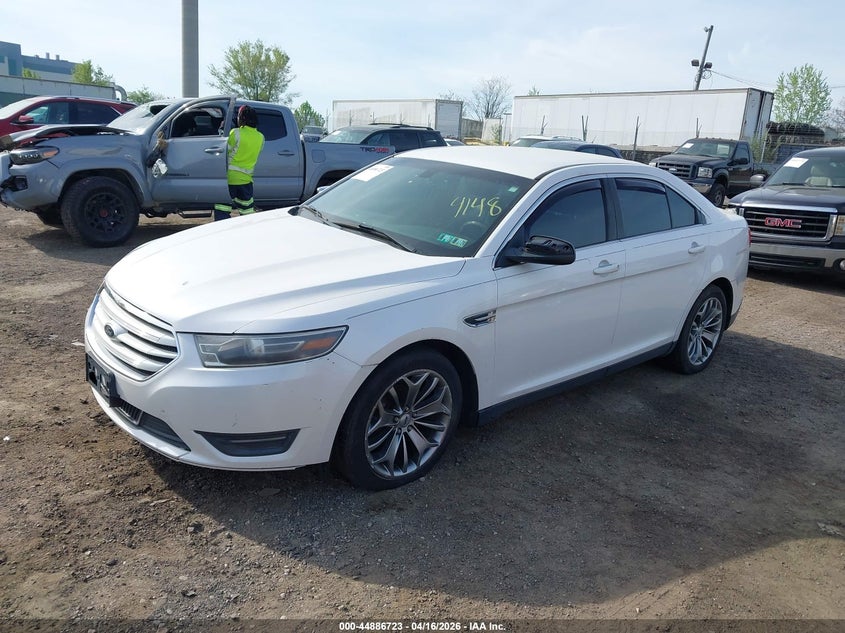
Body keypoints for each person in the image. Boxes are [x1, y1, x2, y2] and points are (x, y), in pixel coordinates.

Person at [214, 105, 265, 221]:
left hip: (229, 179)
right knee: (247, 212)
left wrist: (221, 130)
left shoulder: (235, 133)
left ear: (242, 118)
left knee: (222, 209)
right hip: (246, 181)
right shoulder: (261, 137)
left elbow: (224, 151)